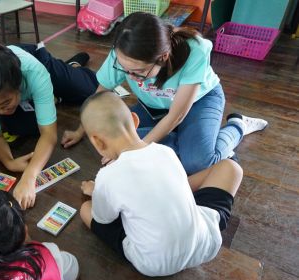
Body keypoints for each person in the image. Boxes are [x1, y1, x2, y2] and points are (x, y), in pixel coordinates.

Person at [61, 12, 268, 174]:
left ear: (164, 56)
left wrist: (138, 150)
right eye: (126, 71)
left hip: (199, 102)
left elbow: (176, 115)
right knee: (115, 144)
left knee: (197, 162)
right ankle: (185, 139)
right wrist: (81, 131)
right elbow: (100, 96)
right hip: (154, 107)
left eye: (140, 72)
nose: (131, 77)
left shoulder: (195, 50)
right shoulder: (121, 54)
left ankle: (237, 125)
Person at [79, 91, 243, 276]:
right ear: (135, 120)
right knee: (232, 168)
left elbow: (103, 218)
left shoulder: (106, 176)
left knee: (85, 209)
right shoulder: (165, 152)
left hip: (154, 264)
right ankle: (237, 128)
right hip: (203, 244)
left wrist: (98, 192)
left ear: (97, 142)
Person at [0, 42, 98, 209]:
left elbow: (49, 134)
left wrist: (29, 177)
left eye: (6, 103)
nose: (0, 111)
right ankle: (55, 95)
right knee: (23, 128)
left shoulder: (34, 72)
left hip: (39, 62)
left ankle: (70, 67)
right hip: (25, 85)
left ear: (18, 88)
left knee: (89, 90)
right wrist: (9, 162)